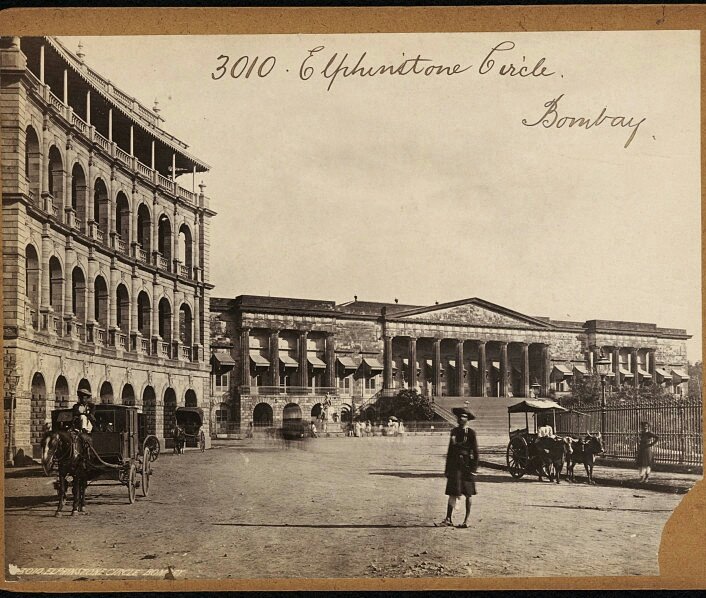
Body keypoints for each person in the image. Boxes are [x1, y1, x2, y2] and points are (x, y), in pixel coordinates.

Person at [437, 407, 479, 529]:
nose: (461, 419)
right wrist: (447, 469)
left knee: (468, 494)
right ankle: (448, 519)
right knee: (452, 492)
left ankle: (466, 520)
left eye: (464, 417)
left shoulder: (471, 433)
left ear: (467, 419)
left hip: (467, 466)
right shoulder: (454, 432)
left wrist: (473, 469)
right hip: (455, 466)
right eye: (459, 417)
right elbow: (450, 451)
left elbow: (475, 452)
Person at [72, 388, 96, 453]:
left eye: (85, 398)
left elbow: (92, 415)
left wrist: (84, 414)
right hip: (79, 425)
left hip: (89, 424)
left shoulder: (92, 406)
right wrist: (84, 414)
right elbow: (75, 414)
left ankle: (85, 431)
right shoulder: (76, 406)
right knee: (82, 417)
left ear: (87, 399)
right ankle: (84, 431)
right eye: (82, 398)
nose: (83, 400)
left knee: (84, 416)